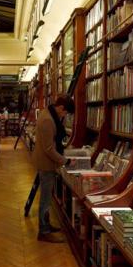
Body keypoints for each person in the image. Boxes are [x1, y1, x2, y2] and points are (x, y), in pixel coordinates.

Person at [32, 94, 75, 243]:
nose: (65, 116)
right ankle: (43, 231)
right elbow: (49, 148)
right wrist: (65, 161)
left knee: (47, 197)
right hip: (46, 164)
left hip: (47, 163)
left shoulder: (49, 114)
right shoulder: (47, 121)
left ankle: (47, 225)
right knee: (45, 199)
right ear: (61, 108)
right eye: (65, 113)